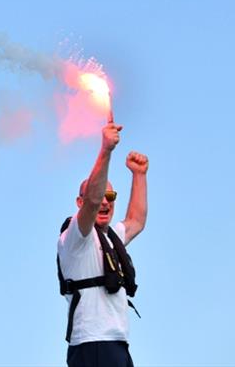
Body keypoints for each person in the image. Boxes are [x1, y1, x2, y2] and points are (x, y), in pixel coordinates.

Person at [57, 122, 149, 367]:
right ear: (80, 202)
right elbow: (93, 200)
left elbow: (136, 221)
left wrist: (139, 175)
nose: (104, 203)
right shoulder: (77, 237)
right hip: (93, 343)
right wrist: (106, 150)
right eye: (100, 197)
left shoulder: (110, 236)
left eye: (111, 197)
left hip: (117, 342)